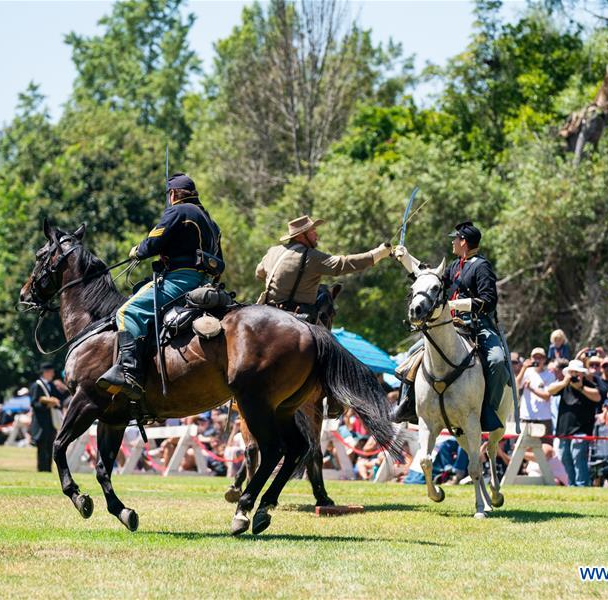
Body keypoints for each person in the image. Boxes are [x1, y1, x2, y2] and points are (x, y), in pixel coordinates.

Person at [97, 173, 225, 404]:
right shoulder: (211, 222)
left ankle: (131, 374)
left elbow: (153, 242)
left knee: (126, 312)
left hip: (180, 280)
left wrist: (137, 250)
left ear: (173, 194)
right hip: (204, 282)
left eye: (169, 195)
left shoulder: (178, 211)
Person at [391, 221, 507, 431]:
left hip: (477, 326)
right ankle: (406, 404)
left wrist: (454, 304)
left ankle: (487, 409)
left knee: (497, 361)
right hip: (449, 325)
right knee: (412, 353)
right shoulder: (453, 266)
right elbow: (428, 276)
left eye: (455, 239)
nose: (452, 242)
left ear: (464, 242)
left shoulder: (482, 266)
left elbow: (488, 301)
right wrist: (405, 258)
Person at [255, 215, 390, 322]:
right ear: (301, 236)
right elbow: (343, 264)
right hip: (297, 316)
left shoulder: (273, 251)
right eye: (312, 231)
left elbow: (259, 273)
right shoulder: (311, 256)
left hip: (266, 310)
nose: (316, 235)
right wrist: (377, 254)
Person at [547, 359, 601, 487]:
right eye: (572, 372)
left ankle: (582, 485)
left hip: (582, 429)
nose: (574, 375)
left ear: (582, 374)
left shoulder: (588, 384)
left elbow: (597, 397)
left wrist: (581, 388)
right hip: (564, 429)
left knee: (578, 457)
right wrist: (564, 382)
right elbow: (550, 390)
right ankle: (571, 485)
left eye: (577, 372)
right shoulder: (564, 385)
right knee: (565, 458)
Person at [30, 362, 63, 472]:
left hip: (51, 421)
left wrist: (55, 402)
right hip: (41, 422)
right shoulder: (36, 385)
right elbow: (34, 403)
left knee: (50, 446)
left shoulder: (52, 385)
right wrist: (47, 405)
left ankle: (48, 469)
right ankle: (41, 469)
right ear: (46, 372)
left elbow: (60, 399)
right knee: (42, 447)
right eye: (51, 372)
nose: (53, 374)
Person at [519, 347, 556, 438]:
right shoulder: (526, 372)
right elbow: (516, 386)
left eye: (540, 358)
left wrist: (531, 389)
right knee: (524, 448)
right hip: (526, 416)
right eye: (535, 357)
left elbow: (547, 396)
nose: (537, 360)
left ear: (544, 360)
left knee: (545, 448)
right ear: (531, 359)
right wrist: (523, 368)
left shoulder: (550, 375)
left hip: (543, 418)